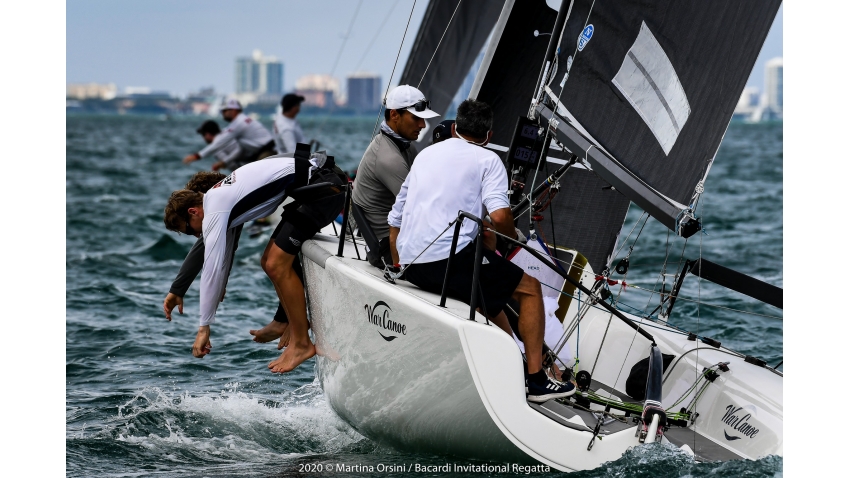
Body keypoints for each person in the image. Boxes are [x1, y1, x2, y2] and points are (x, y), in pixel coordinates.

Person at [387, 99, 575, 402]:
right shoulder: (488, 160)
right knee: (529, 287)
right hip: (444, 264)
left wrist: (398, 263)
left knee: (490, 283)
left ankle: (511, 358)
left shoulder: (425, 154)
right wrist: (509, 243)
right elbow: (500, 217)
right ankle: (537, 380)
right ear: (488, 135)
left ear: (456, 127)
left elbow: (395, 216)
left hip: (411, 265)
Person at [163, 146, 346, 373]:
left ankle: (301, 344)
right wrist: (213, 287)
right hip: (316, 187)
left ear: (193, 212)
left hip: (325, 190)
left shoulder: (215, 208)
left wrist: (204, 327)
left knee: (276, 263)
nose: (197, 236)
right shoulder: (219, 199)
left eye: (190, 231)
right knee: (268, 260)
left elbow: (212, 267)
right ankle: (284, 322)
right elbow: (224, 252)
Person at [351, 85, 438, 268]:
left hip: (401, 238)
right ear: (394, 115)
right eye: (416, 118)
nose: (422, 125)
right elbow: (420, 209)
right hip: (389, 249)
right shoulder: (389, 158)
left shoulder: (405, 146)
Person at [183, 99, 276, 169]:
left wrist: (197, 156)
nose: (222, 113)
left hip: (267, 152)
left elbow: (218, 144)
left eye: (224, 111)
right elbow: (240, 150)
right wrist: (225, 162)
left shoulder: (238, 123)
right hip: (268, 151)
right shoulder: (241, 121)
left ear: (233, 110)